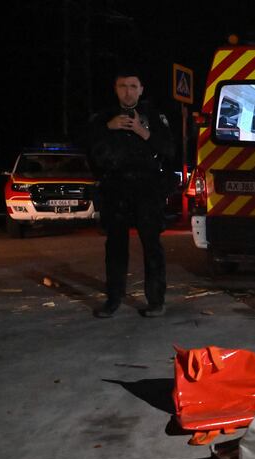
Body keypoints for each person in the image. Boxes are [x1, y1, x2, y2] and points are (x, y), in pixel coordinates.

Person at [88, 68, 174, 318]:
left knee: (152, 246)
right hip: (115, 189)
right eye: (123, 86)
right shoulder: (103, 118)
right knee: (115, 246)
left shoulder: (154, 116)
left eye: (133, 86)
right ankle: (113, 300)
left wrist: (142, 131)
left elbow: (168, 149)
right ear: (116, 89)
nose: (128, 91)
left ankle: (156, 300)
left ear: (141, 89)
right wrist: (108, 128)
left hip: (147, 189)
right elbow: (91, 149)